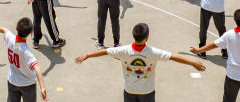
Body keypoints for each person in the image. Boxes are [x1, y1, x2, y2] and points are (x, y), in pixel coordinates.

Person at [74, 22, 205, 102]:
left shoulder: (123, 50)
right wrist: (192, 62)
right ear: (146, 38)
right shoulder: (153, 52)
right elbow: (173, 57)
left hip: (129, 90)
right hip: (147, 92)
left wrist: (87, 55)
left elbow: (105, 51)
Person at [0, 18, 49, 102]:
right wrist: (42, 87)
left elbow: (4, 30)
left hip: (12, 81)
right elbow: (37, 68)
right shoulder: (26, 52)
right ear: (31, 32)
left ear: (16, 28)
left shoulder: (10, 39)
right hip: (28, 84)